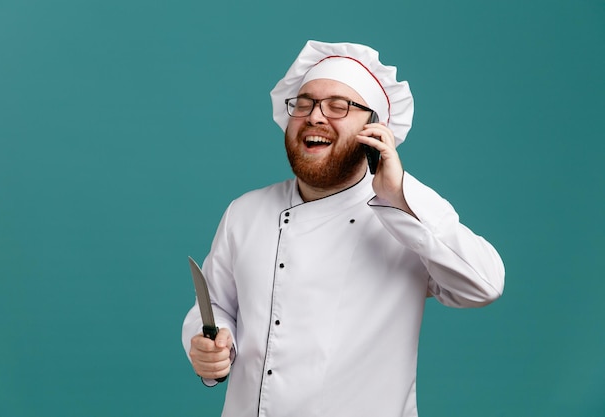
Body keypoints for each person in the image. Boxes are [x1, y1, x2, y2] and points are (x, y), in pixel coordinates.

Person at [182, 40, 505, 417]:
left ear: (374, 131)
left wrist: (400, 194)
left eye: (339, 106)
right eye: (304, 104)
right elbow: (218, 305)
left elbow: (484, 284)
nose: (316, 116)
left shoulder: (404, 217)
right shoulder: (245, 212)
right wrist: (213, 348)